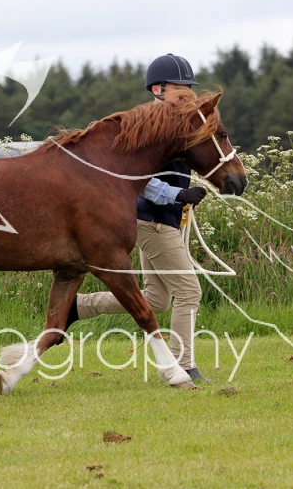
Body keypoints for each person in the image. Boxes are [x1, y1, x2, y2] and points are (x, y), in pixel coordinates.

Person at [66, 53, 210, 382]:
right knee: (189, 292)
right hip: (154, 222)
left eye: (189, 87)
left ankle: (79, 306)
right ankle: (183, 366)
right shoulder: (148, 126)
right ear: (157, 89)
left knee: (156, 299)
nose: (188, 93)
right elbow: (136, 178)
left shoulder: (176, 124)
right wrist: (177, 195)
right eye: (180, 87)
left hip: (160, 221)